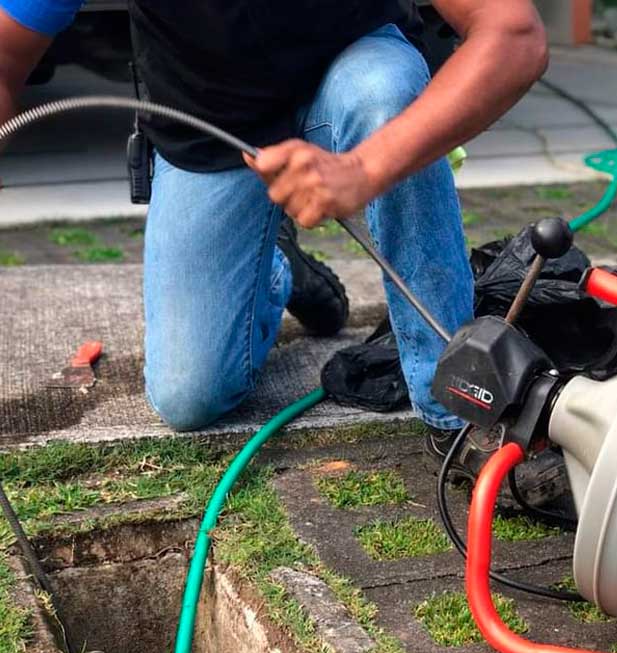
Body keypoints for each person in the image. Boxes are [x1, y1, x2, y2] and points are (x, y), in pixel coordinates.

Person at [0, 1, 549, 469]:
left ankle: (459, 406)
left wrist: (365, 169)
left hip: (351, 77)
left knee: (386, 93)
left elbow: (513, 34)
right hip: (207, 120)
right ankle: (274, 272)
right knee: (189, 395)